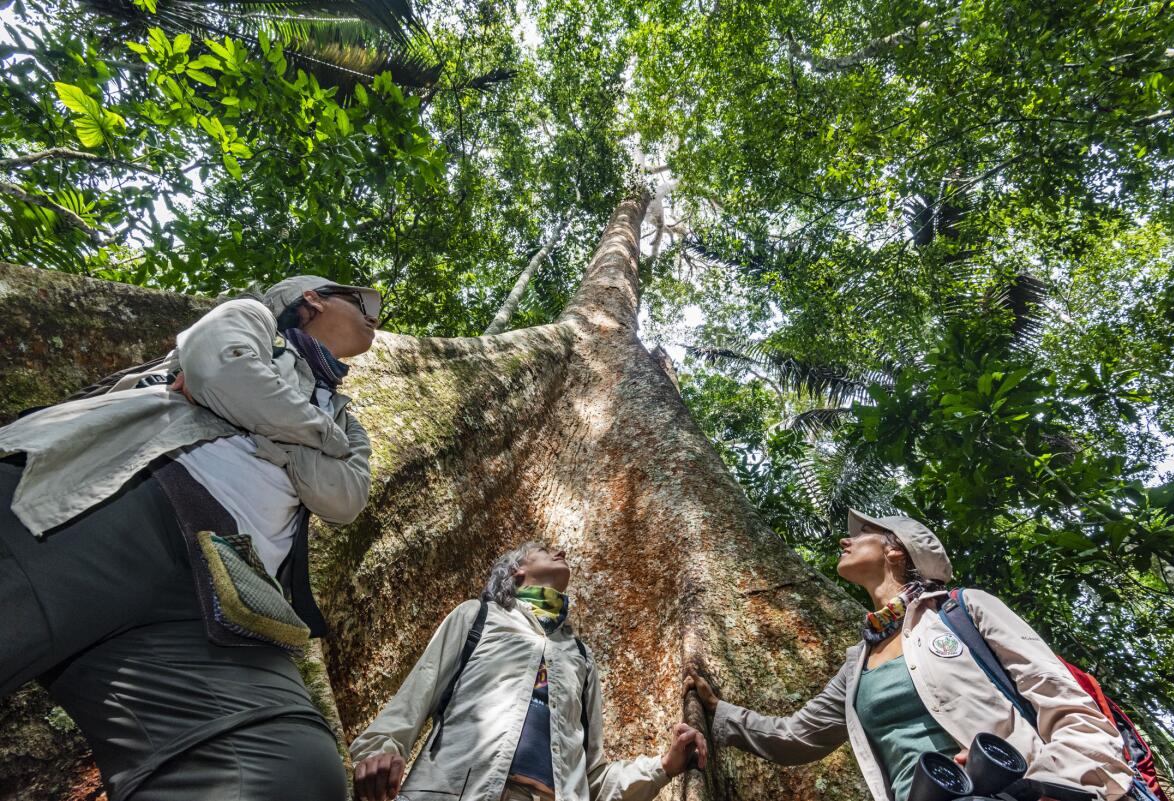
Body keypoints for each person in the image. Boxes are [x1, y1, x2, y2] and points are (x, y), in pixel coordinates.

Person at [0, 275, 380, 801]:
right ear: (312, 298)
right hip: (114, 503)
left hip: (226, 586)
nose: (375, 316)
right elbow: (220, 367)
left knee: (292, 772)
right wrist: (316, 441)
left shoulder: (346, 418)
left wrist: (265, 421)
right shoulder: (254, 320)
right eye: (365, 301)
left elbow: (344, 498)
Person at [685, 510, 1134, 801]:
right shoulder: (857, 662)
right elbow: (797, 736)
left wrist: (1064, 782)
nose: (846, 542)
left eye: (862, 535)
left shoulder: (963, 609)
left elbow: (1059, 696)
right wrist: (716, 711)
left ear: (895, 549)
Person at [351, 541, 708, 801]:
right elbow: (411, 701)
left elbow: (593, 778)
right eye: (542, 548)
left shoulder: (581, 657)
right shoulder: (477, 617)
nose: (561, 551)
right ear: (515, 570)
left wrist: (663, 766)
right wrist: (377, 753)